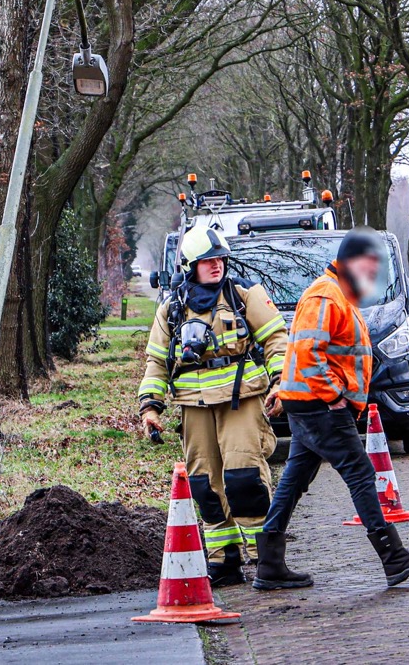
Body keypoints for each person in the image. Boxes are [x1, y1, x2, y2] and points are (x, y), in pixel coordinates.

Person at [253, 227, 409, 590]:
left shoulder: (335, 295)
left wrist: (294, 392)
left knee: (295, 478)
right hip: (321, 408)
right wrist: (335, 397)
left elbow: (302, 355)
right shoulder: (327, 297)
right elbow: (307, 354)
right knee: (362, 474)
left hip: (309, 406)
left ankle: (269, 562)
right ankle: (392, 556)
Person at [139, 226, 288, 586]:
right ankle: (224, 561)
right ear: (191, 266)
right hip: (194, 407)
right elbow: (156, 362)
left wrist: (283, 383)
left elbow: (277, 341)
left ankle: (267, 561)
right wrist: (150, 407)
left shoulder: (244, 296)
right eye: (208, 261)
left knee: (245, 480)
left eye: (220, 259)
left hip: (241, 401)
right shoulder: (172, 310)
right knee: (205, 486)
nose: (216, 266)